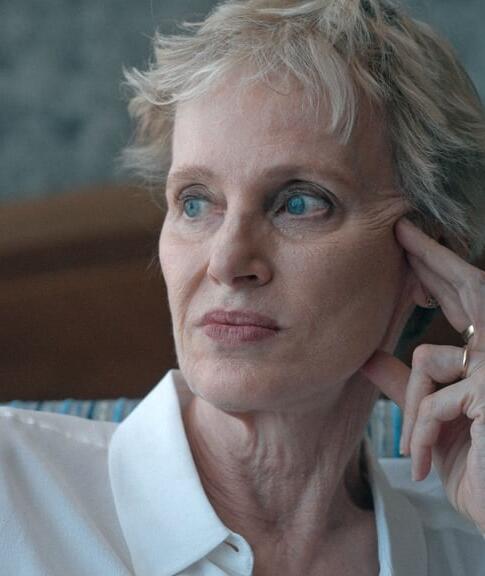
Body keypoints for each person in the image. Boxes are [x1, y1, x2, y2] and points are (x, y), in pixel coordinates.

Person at [1, 0, 485, 574]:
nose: (227, 262)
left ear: (429, 254)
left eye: (299, 203)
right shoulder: (13, 490)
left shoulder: (469, 531)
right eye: (195, 202)